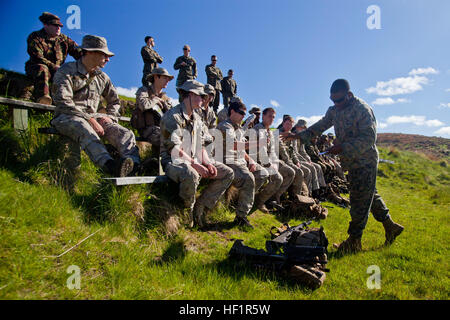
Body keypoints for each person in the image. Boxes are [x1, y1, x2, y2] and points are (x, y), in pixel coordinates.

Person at [282, 79, 404, 253]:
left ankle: (354, 241)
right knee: (370, 195)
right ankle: (391, 226)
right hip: (352, 162)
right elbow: (321, 125)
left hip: (365, 161)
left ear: (349, 95)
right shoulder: (334, 110)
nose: (336, 105)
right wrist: (297, 136)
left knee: (358, 201)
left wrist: (342, 147)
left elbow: (369, 139)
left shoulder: (362, 110)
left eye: (339, 101)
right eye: (333, 101)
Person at [51, 35, 140, 177]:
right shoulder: (66, 71)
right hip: (67, 117)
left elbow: (114, 101)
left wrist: (110, 118)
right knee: (85, 129)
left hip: (95, 118)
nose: (108, 58)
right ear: (90, 52)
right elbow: (63, 101)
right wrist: (89, 119)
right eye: (103, 54)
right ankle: (110, 166)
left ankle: (134, 166)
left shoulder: (102, 77)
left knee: (125, 134)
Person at [160, 80, 234, 228]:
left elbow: (200, 147)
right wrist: (196, 165)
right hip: (173, 161)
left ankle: (201, 206)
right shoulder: (172, 117)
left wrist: (207, 163)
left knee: (228, 173)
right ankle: (187, 211)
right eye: (201, 96)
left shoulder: (198, 119)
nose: (203, 99)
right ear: (190, 95)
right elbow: (174, 149)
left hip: (194, 159)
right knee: (191, 173)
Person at [217, 100, 269, 228]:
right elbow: (234, 145)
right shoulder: (226, 126)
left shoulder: (238, 128)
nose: (243, 116)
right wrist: (258, 143)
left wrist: (250, 160)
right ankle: (241, 216)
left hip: (239, 161)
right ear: (232, 112)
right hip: (227, 161)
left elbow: (240, 149)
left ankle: (241, 201)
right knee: (249, 178)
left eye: (244, 114)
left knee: (263, 173)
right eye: (241, 113)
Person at [24, 12, 82, 105]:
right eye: (55, 25)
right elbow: (37, 57)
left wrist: (88, 59)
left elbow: (78, 51)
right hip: (36, 67)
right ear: (45, 25)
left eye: (59, 26)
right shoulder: (35, 37)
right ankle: (43, 98)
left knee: (76, 75)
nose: (58, 28)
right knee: (43, 69)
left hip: (57, 71)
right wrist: (54, 67)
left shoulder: (64, 39)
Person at [253, 108, 293, 211]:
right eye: (269, 116)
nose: (272, 119)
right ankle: (260, 201)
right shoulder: (257, 129)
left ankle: (274, 197)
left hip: (269, 160)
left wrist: (274, 162)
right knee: (278, 178)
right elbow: (257, 151)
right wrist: (269, 164)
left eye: (273, 117)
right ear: (263, 116)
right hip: (258, 160)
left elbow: (272, 151)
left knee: (290, 172)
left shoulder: (270, 132)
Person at [133, 67, 174, 158]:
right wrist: (154, 100)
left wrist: (165, 106)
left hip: (162, 129)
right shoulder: (144, 91)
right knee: (168, 140)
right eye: (165, 78)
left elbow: (172, 117)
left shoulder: (166, 98)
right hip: (147, 129)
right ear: (156, 77)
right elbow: (143, 105)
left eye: (168, 78)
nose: (167, 80)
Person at [293, 119, 327, 198]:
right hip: (295, 159)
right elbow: (294, 152)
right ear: (298, 127)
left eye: (304, 128)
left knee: (317, 167)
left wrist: (308, 159)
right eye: (302, 127)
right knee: (311, 168)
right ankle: (309, 193)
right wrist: (305, 160)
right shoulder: (294, 135)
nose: (303, 129)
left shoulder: (301, 137)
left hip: (300, 158)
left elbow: (302, 151)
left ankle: (318, 190)